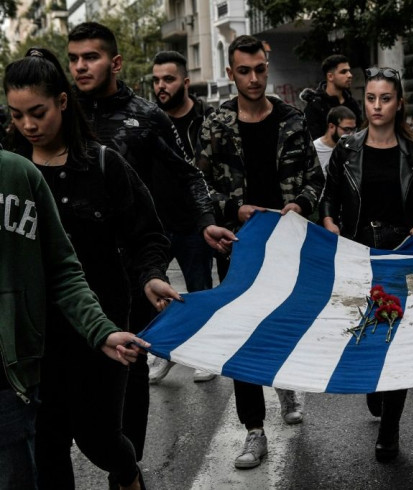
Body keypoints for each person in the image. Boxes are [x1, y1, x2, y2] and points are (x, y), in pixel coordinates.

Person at [4, 47, 180, 490]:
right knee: (45, 447)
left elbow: (148, 236)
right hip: (31, 338)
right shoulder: (8, 173)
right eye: (16, 115)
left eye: (38, 112)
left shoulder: (103, 165)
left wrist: (151, 275)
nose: (28, 125)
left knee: (100, 438)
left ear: (62, 102)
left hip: (101, 329)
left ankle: (125, 471)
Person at [67, 22, 236, 467]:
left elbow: (188, 174)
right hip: (69, 271)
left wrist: (204, 220)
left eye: (91, 57)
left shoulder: (146, 116)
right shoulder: (61, 112)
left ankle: (128, 472)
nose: (81, 66)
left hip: (132, 271)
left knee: (128, 374)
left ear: (116, 63)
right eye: (74, 58)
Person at [197, 34, 324, 470]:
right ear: (231, 73)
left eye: (260, 69)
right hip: (237, 247)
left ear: (266, 69)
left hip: (287, 245)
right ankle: (254, 429)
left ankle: (285, 383)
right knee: (242, 335)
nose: (254, 78)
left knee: (285, 323)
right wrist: (234, 208)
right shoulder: (216, 124)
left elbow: (315, 176)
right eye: (244, 71)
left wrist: (300, 204)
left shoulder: (292, 119)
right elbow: (201, 186)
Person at [0, 146, 148, 489]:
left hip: (13, 376)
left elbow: (62, 269)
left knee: (42, 464)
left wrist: (101, 330)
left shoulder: (18, 174)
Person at [321, 66, 413, 462]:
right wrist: (331, 227)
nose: (376, 105)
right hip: (358, 254)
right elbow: (329, 199)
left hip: (401, 256)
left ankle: (390, 431)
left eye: (385, 98)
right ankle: (376, 388)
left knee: (399, 342)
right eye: (371, 98)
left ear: (399, 103)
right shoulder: (347, 149)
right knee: (367, 336)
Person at [150, 50, 217, 384]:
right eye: (157, 80)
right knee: (154, 292)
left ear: (185, 82)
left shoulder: (206, 121)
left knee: (199, 291)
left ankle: (204, 353)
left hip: (193, 223)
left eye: (169, 79)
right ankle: (164, 352)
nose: (161, 86)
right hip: (156, 224)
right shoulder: (147, 119)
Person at [300, 54, 362, 139]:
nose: (350, 75)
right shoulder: (315, 107)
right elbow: (314, 142)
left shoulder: (352, 103)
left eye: (349, 71)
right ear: (330, 76)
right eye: (343, 72)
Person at [313, 105, 357, 175]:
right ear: (331, 127)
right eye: (346, 129)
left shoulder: (354, 148)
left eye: (354, 130)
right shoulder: (314, 150)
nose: (351, 134)